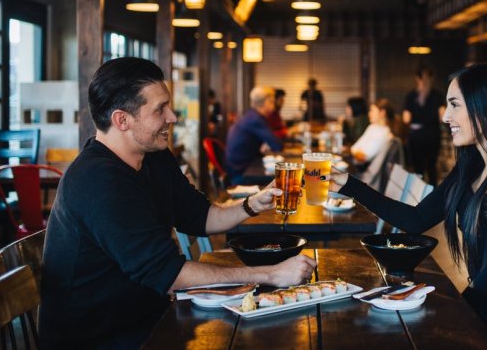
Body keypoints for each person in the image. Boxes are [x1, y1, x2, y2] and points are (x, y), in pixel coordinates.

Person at [39, 58, 316, 349]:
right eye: (160, 109)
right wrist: (271, 273)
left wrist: (252, 204)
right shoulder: (97, 180)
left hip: (152, 316)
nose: (172, 117)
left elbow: (201, 217)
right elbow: (169, 274)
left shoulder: (154, 156)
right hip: (103, 338)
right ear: (122, 120)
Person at [331, 63, 487, 349]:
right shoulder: (471, 166)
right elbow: (416, 219)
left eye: (454, 105)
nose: (446, 117)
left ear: (486, 107)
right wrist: (348, 185)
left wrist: (446, 314)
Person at [225, 86, 283, 184]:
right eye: (272, 102)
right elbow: (277, 145)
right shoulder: (256, 119)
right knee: (284, 177)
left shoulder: (251, 115)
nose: (274, 106)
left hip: (240, 169)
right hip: (240, 175)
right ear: (266, 102)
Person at [403, 66, 445, 185]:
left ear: (417, 78)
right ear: (432, 78)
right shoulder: (438, 95)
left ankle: (419, 195)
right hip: (433, 134)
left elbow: (406, 119)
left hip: (416, 136)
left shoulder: (411, 96)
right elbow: (442, 117)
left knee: (418, 168)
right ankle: (434, 194)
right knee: (432, 167)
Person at [350, 99, 396, 187]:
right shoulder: (372, 127)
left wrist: (357, 152)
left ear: (382, 112)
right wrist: (357, 152)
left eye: (372, 111)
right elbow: (354, 147)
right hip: (357, 168)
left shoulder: (385, 133)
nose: (369, 114)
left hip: (365, 175)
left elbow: (364, 157)